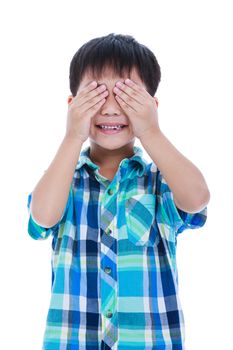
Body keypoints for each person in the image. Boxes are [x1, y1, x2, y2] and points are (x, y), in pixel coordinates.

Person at [27, 33, 210, 349]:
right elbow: (42, 217)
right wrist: (72, 136)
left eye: (126, 95)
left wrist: (150, 129)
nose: (111, 108)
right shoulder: (63, 180)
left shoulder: (159, 182)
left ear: (152, 105)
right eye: (97, 94)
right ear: (73, 105)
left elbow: (197, 198)